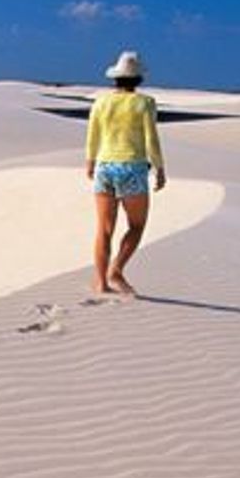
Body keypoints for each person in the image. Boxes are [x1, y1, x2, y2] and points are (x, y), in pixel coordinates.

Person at [86, 50, 166, 296]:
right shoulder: (145, 103)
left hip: (105, 167)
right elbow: (151, 138)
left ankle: (101, 282)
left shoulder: (100, 102)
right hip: (133, 167)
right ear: (138, 79)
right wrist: (160, 168)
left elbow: (93, 135)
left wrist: (90, 162)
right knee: (137, 225)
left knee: (104, 229)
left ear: (116, 78)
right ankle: (116, 270)